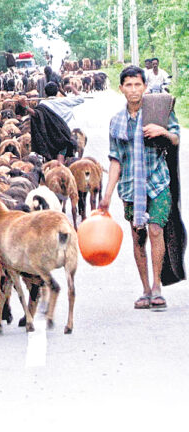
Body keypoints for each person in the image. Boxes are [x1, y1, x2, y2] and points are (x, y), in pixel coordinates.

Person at [100, 65, 182, 310]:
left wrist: (163, 132)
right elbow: (115, 159)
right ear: (121, 88)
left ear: (145, 87)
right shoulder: (116, 121)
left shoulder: (158, 111)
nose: (134, 89)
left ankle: (157, 286)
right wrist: (106, 196)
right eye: (129, 85)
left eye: (138, 85)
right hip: (129, 188)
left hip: (157, 182)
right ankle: (145, 289)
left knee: (156, 230)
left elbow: (177, 137)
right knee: (138, 237)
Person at [22, 82, 82, 162]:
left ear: (45, 93)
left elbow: (36, 114)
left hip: (50, 138)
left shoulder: (43, 103)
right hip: (64, 136)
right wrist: (72, 87)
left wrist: (25, 106)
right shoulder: (65, 101)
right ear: (57, 92)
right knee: (63, 151)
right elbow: (81, 98)